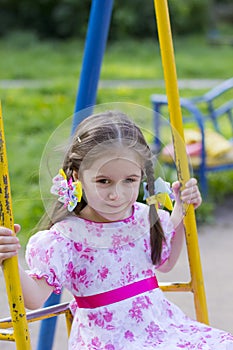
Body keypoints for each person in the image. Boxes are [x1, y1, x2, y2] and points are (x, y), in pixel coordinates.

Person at [0, 110, 233, 350]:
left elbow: (165, 263)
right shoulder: (67, 237)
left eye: (129, 180)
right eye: (103, 181)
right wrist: (9, 258)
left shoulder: (143, 216)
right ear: (77, 176)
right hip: (109, 339)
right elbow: (34, 298)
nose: (116, 195)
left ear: (142, 175)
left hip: (162, 327)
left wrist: (183, 212)